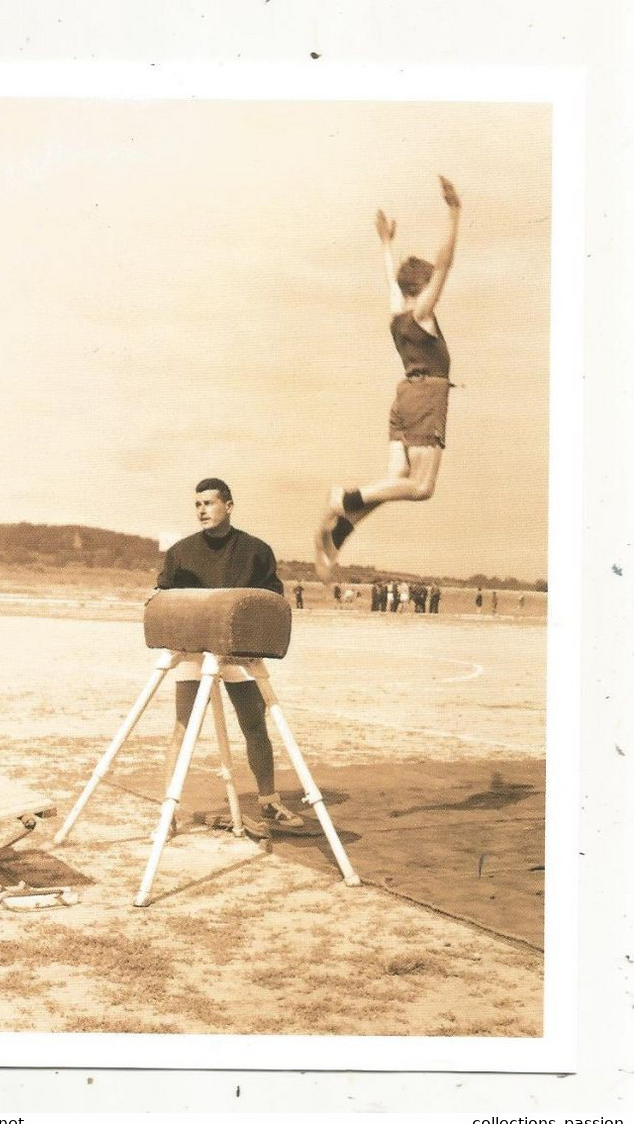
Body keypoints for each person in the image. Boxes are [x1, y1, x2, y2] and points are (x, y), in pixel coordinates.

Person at [315, 176, 462, 581]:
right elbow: (446, 263)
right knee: (421, 487)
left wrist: (386, 244)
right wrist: (454, 213)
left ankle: (341, 531)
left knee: (395, 479)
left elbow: (388, 280)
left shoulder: (396, 315)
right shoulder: (421, 314)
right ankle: (345, 497)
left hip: (403, 397)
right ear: (423, 286)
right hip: (427, 395)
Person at [156, 477, 304, 831]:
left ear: (229, 506)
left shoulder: (256, 551)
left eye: (209, 503)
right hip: (194, 650)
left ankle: (268, 801)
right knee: (182, 727)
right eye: (197, 504)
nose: (202, 510)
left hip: (238, 652)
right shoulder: (180, 552)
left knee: (255, 725)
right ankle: (168, 810)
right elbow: (164, 597)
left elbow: (270, 602)